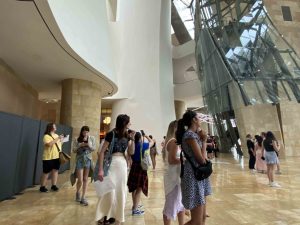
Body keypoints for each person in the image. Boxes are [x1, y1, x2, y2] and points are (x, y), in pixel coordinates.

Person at [96, 114, 135, 225]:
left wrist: (132, 139)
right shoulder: (111, 134)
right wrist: (100, 169)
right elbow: (102, 152)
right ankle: (103, 215)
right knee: (109, 192)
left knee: (121, 191)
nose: (130, 124)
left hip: (122, 164)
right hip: (111, 164)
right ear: (124, 123)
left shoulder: (127, 135)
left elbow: (131, 152)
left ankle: (117, 217)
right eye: (129, 122)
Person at [176, 110, 211, 225]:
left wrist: (202, 139)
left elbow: (203, 159)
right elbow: (201, 160)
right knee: (197, 221)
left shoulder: (194, 135)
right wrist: (204, 141)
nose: (200, 119)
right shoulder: (190, 135)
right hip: (193, 175)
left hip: (198, 175)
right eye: (198, 117)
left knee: (202, 218)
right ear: (194, 120)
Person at [162, 120, 185, 225]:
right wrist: (185, 160)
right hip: (173, 177)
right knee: (170, 205)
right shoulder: (173, 141)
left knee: (180, 203)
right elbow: (171, 160)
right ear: (175, 128)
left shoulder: (172, 141)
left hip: (175, 176)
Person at [127, 131, 154, 216]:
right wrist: (146, 135)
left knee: (133, 188)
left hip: (134, 167)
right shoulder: (144, 145)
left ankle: (134, 206)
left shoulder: (132, 145)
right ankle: (135, 209)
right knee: (139, 188)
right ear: (139, 138)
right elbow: (152, 142)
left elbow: (129, 154)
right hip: (141, 167)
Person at [73, 126, 96, 206]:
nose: (85, 133)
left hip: (88, 160)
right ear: (81, 132)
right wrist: (80, 145)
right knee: (80, 179)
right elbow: (73, 150)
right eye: (84, 131)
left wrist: (88, 145)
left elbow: (93, 149)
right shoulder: (77, 139)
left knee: (85, 179)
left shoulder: (92, 138)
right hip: (79, 160)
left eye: (87, 131)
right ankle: (78, 192)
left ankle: (83, 197)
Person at [40, 123, 64, 192]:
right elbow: (49, 144)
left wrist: (62, 141)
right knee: (46, 172)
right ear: (51, 128)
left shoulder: (56, 135)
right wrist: (58, 138)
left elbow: (59, 145)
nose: (56, 127)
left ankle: (54, 185)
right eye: (54, 126)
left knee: (55, 171)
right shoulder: (46, 136)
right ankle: (42, 186)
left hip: (57, 156)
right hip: (48, 157)